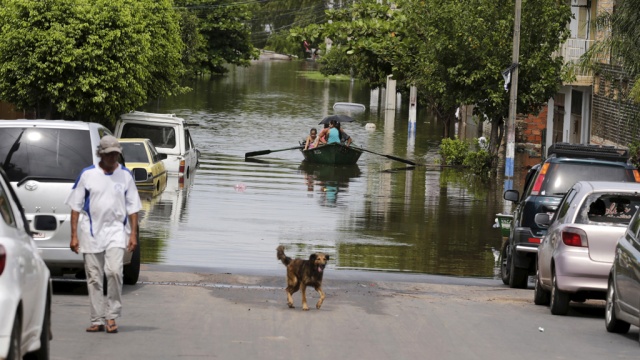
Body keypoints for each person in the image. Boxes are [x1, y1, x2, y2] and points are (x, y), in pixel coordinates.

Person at [66, 135, 142, 334]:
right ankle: (97, 318)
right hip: (91, 233)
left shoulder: (125, 176)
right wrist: (74, 236)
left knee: (115, 271)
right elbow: (75, 207)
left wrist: (133, 235)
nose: (113, 157)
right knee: (94, 277)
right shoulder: (87, 174)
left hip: (117, 231)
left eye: (116, 153)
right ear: (101, 153)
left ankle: (112, 315)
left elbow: (133, 209)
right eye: (109, 153)